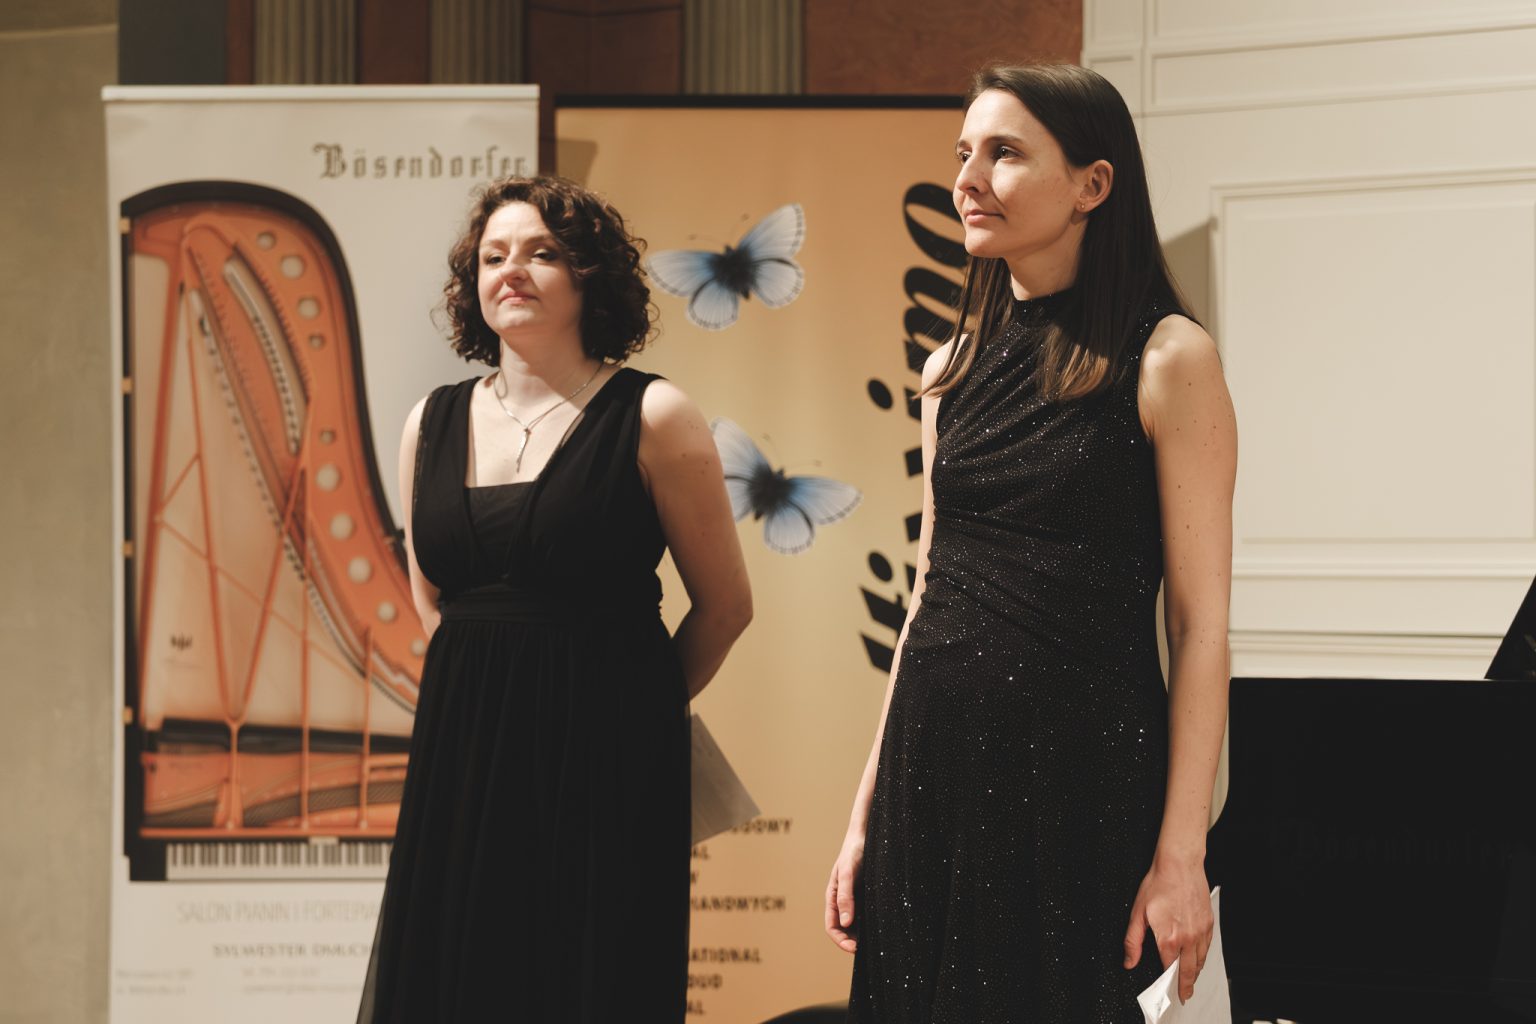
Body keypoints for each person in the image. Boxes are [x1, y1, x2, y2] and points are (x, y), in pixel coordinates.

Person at [825, 64, 1237, 1021]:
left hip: (1078, 781)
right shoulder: (949, 368)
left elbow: (1201, 626)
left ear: (1093, 184)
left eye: (1003, 153)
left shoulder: (1170, 358)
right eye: (963, 153)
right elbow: (927, 599)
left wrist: (1183, 853)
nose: (967, 179)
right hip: (932, 769)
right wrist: (865, 813)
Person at [358, 175, 752, 1022]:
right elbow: (436, 606)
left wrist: (626, 714)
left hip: (605, 765)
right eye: (493, 256)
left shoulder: (654, 413)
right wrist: (489, 709)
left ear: (588, 276)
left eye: (542, 253)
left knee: (586, 983)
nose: (512, 270)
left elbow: (725, 607)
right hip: (463, 760)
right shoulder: (428, 423)